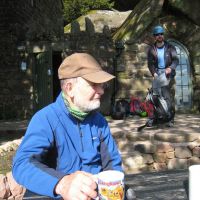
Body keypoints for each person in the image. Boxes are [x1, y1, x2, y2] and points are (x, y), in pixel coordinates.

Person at [12, 53, 123, 199]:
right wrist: (62, 184)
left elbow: (112, 164)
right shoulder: (46, 119)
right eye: (94, 84)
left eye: (102, 85)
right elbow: (22, 164)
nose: (101, 91)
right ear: (70, 88)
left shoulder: (99, 121)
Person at [147, 25, 179, 127]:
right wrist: (154, 73)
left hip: (168, 75)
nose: (159, 36)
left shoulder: (170, 47)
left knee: (168, 97)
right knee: (154, 97)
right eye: (157, 34)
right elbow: (150, 63)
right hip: (158, 75)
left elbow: (175, 60)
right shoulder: (151, 49)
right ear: (154, 37)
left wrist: (170, 68)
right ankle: (154, 118)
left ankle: (170, 119)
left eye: (161, 34)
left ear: (163, 35)